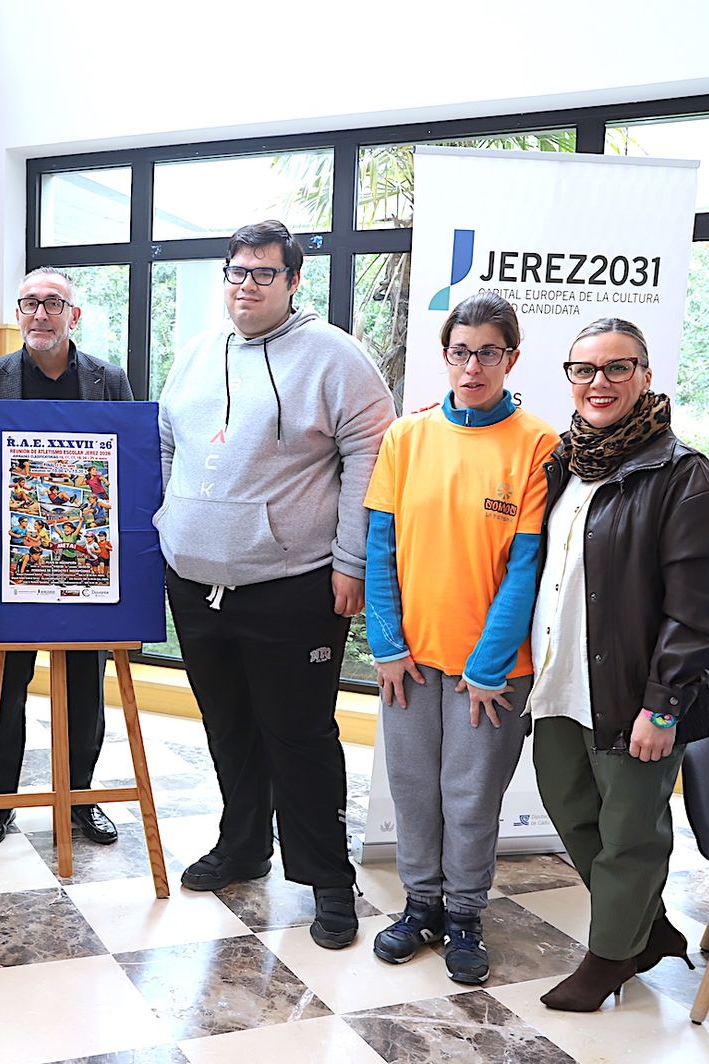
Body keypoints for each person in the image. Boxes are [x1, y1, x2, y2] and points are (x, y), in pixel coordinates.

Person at [156, 220, 394, 949]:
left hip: (293, 585)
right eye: (236, 272)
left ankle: (328, 880)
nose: (247, 285)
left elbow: (371, 459)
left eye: (264, 273)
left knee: (299, 737)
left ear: (294, 282)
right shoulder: (196, 353)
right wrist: (170, 524)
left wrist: (351, 563)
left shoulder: (336, 357)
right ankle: (243, 847)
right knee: (227, 728)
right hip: (195, 584)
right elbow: (168, 443)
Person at [528, 318, 709, 1011]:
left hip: (635, 696)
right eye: (584, 370)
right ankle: (646, 930)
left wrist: (664, 705)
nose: (600, 383)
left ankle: (610, 958)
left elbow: (705, 614)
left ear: (646, 378)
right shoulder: (565, 465)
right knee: (573, 813)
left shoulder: (689, 482)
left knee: (629, 834)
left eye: (617, 368)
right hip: (561, 683)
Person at [363, 292, 559, 984]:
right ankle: (420, 906)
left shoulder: (538, 444)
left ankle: (466, 915)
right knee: (414, 787)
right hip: (409, 660)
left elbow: (527, 567)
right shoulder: (405, 438)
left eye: (488, 352)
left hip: (493, 669)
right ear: (444, 355)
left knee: (471, 795)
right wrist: (386, 643)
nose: (472, 365)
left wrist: (489, 664)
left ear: (511, 357)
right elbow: (380, 547)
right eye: (460, 351)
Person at [0, 266, 135, 849]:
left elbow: (127, 460)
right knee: (7, 684)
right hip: (13, 561)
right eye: (29, 303)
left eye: (53, 304)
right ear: (17, 314)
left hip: (85, 560)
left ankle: (80, 796)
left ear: (73, 316)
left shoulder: (109, 378)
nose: (40, 314)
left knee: (85, 681)